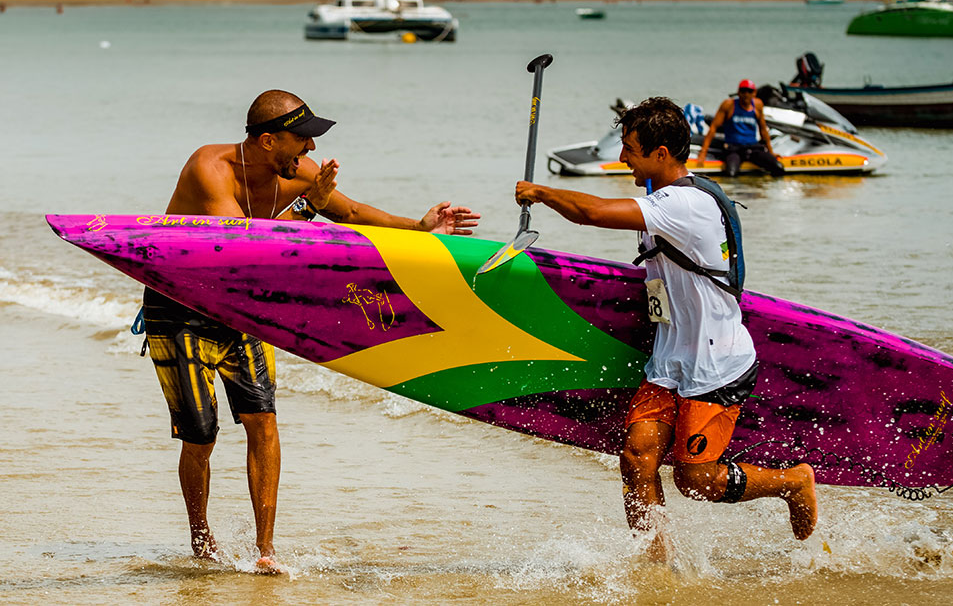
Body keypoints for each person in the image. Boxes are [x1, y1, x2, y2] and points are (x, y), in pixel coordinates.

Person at [143, 89, 481, 573]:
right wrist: (306, 210)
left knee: (263, 421)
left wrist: (422, 227)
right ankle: (202, 539)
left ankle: (265, 550)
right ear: (265, 141)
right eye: (301, 141)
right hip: (181, 308)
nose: (311, 153)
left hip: (242, 309)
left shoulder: (295, 172)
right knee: (201, 435)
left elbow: (353, 213)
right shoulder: (209, 169)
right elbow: (240, 250)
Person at [514, 97, 816, 562]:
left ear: (660, 154)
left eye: (630, 150)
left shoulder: (686, 203)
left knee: (696, 482)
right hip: (669, 360)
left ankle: (793, 481)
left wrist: (543, 193)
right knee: (636, 459)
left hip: (717, 363)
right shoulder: (663, 200)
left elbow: (592, 212)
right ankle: (656, 563)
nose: (621, 159)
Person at [696, 79, 785, 177]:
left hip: (753, 148)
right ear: (738, 92)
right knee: (731, 174)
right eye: (743, 91)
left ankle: (762, 189)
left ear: (754, 93)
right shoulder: (728, 105)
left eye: (749, 91)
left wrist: (771, 152)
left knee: (778, 168)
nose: (746, 94)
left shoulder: (758, 105)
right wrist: (703, 152)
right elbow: (713, 128)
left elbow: (763, 130)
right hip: (734, 149)